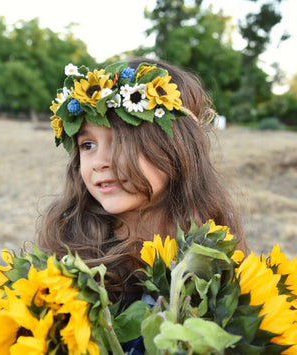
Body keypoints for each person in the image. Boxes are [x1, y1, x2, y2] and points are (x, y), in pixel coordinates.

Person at [37, 57, 248, 308]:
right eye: (88, 145)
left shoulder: (215, 249)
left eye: (122, 141)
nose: (99, 162)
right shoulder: (69, 250)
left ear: (175, 148)